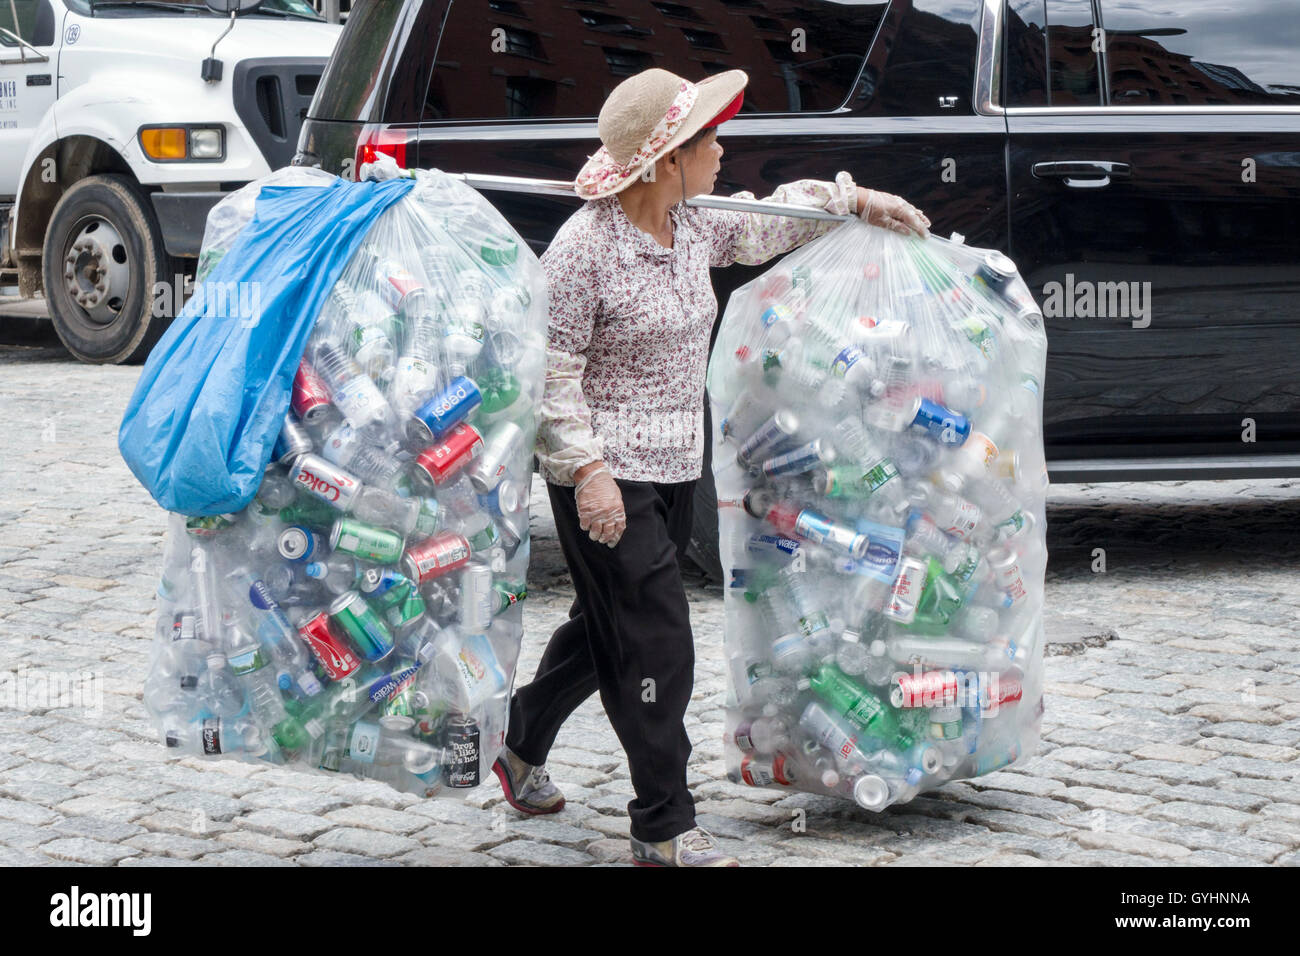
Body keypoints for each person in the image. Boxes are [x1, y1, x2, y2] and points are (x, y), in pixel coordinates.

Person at [491, 68, 930, 867]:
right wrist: (587, 473)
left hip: (674, 463)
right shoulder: (585, 250)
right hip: (604, 472)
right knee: (657, 641)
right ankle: (661, 823)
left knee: (607, 628)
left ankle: (519, 743)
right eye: (709, 140)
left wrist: (857, 202)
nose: (724, 151)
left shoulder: (694, 224)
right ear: (665, 161)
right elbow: (548, 371)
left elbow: (768, 221)